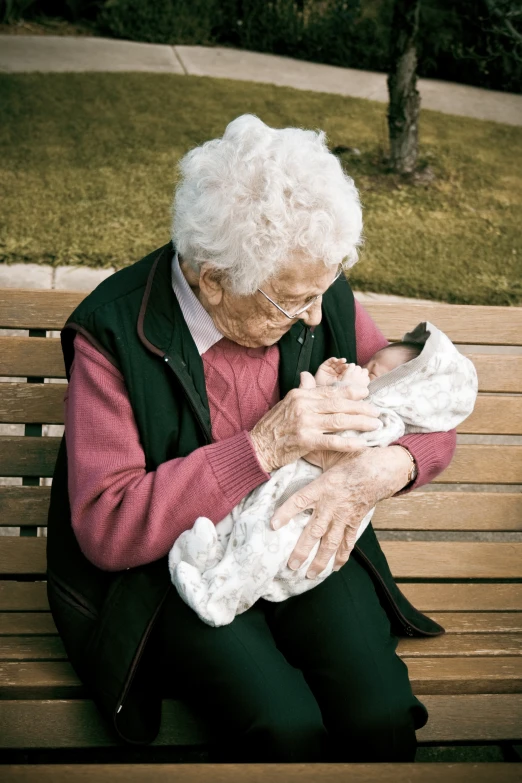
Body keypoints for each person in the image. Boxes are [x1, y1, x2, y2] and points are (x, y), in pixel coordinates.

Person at [46, 114, 457, 763]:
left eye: (323, 291)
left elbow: (427, 405)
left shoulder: (313, 285)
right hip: (177, 573)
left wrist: (381, 468)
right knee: (283, 726)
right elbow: (109, 524)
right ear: (213, 280)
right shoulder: (117, 333)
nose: (318, 316)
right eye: (294, 302)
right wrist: (262, 448)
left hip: (300, 542)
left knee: (378, 713)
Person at [168, 325, 477, 627]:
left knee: (261, 548)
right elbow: (306, 420)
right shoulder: (370, 399)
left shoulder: (386, 421)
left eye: (373, 373)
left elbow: (345, 443)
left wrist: (343, 392)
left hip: (305, 521)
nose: (360, 369)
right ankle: (207, 563)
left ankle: (218, 601)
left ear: (400, 392)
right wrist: (320, 386)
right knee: (242, 524)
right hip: (278, 491)